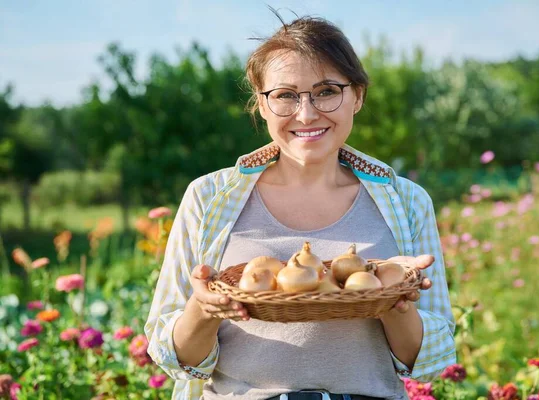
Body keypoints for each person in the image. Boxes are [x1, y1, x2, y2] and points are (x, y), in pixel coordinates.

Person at [145, 13, 455, 400]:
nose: (306, 114)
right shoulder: (208, 197)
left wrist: (394, 301)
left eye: (326, 91)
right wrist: (204, 308)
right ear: (261, 104)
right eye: (285, 95)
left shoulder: (406, 200)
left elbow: (429, 362)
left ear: (357, 96)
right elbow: (171, 356)